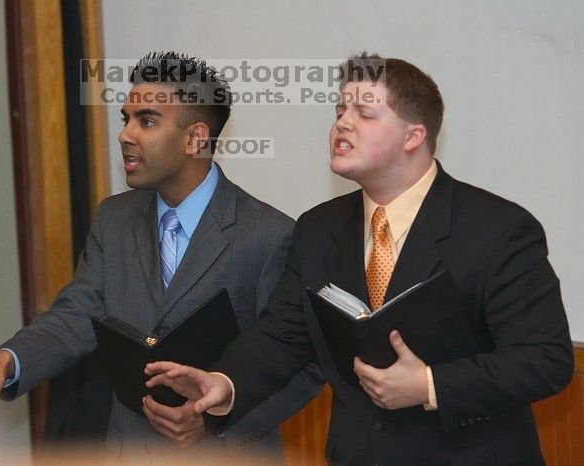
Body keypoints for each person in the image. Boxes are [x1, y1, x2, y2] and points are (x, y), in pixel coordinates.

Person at [145, 53, 574, 465]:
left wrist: (429, 385)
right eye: (339, 111)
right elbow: (282, 334)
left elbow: (545, 360)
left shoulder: (498, 229)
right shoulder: (317, 228)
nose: (342, 124)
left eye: (364, 114)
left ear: (414, 135)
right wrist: (223, 381)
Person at [0, 52, 323, 462]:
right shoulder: (113, 217)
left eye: (146, 122)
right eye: (125, 119)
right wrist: (6, 361)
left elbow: (302, 365)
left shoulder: (270, 234)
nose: (125, 134)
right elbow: (77, 315)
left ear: (195, 137)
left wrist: (213, 418)